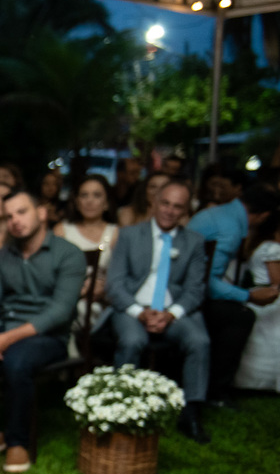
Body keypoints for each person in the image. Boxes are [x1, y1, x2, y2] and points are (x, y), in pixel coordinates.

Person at [0, 190, 86, 473]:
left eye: (22, 212)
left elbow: (60, 312)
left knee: (17, 360)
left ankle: (17, 442)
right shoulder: (4, 255)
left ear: (41, 213)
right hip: (2, 329)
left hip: (48, 336)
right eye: (9, 215)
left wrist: (5, 340)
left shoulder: (68, 254)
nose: (15, 220)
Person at [106, 181, 211, 442]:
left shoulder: (195, 242)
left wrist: (171, 314)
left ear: (186, 211)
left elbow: (195, 289)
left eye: (178, 207)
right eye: (165, 203)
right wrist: (139, 312)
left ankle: (192, 412)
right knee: (132, 340)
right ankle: (122, 407)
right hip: (132, 308)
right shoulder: (129, 235)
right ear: (154, 203)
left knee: (199, 341)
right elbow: (114, 284)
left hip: (172, 310)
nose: (169, 211)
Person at [188, 185, 280, 406]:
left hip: (187, 287)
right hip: (189, 294)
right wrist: (248, 295)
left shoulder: (223, 213)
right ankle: (216, 391)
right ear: (263, 216)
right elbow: (207, 283)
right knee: (241, 316)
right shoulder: (229, 228)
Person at [54, 175, 119, 336]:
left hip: (100, 301)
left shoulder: (115, 233)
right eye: (84, 195)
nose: (90, 201)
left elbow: (120, 275)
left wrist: (103, 289)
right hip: (65, 296)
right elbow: (50, 271)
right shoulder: (61, 230)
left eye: (97, 195)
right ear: (76, 201)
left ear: (106, 203)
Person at [235, 210, 280, 391]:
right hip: (269, 297)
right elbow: (277, 281)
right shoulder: (273, 249)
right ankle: (260, 383)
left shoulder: (261, 244)